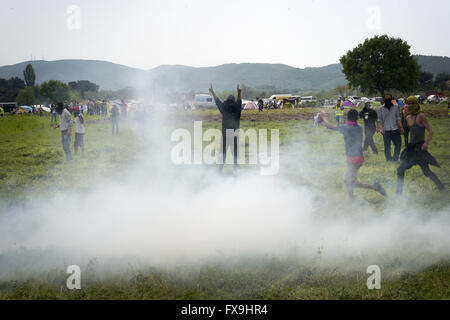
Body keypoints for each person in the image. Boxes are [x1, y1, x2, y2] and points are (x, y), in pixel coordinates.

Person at [319, 109, 386, 199]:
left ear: (348, 117)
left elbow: (329, 126)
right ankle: (355, 196)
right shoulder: (359, 126)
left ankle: (371, 189)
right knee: (350, 180)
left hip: (353, 158)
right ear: (357, 118)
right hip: (358, 157)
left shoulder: (347, 127)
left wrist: (323, 117)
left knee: (348, 180)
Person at [396, 97, 445, 195]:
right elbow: (404, 131)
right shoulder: (407, 117)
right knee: (400, 169)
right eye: (408, 103)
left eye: (412, 103)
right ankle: (398, 194)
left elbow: (430, 131)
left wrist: (426, 143)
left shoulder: (421, 116)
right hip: (411, 147)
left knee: (426, 172)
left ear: (417, 104)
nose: (410, 105)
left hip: (420, 147)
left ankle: (442, 188)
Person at [209, 83, 242, 173]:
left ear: (227, 100)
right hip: (235, 134)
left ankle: (220, 170)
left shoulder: (224, 108)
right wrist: (239, 93)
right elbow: (239, 102)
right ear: (234, 101)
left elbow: (217, 101)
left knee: (222, 153)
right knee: (235, 154)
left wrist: (212, 92)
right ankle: (236, 170)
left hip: (225, 134)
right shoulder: (237, 109)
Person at [377, 94, 404, 162]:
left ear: (391, 99)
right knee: (387, 146)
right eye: (386, 99)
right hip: (386, 130)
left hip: (395, 129)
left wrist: (401, 128)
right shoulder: (380, 109)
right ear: (384, 100)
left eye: (389, 99)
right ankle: (389, 159)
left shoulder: (396, 107)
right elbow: (379, 120)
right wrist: (381, 129)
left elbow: (398, 119)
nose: (387, 100)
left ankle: (395, 158)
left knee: (398, 144)